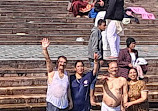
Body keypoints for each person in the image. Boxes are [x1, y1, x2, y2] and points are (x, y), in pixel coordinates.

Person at [41, 38, 73, 111]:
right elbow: (48, 60)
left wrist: (70, 100)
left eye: (64, 62)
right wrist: (44, 49)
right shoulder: (52, 73)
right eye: (61, 62)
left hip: (64, 105)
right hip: (52, 104)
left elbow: (68, 89)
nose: (62, 64)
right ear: (57, 63)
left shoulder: (67, 74)